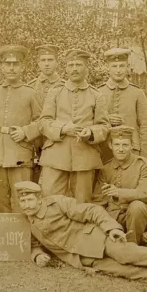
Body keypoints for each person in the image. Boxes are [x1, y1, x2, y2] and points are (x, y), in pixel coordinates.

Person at [15, 181, 147, 292]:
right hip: (83, 258)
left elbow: (91, 211)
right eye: (22, 201)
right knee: (128, 271)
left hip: (95, 239)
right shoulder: (29, 222)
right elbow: (34, 245)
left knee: (130, 254)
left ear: (39, 198)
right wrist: (37, 255)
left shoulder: (57, 203)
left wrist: (111, 228)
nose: (26, 204)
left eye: (29, 199)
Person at [37, 49, 110, 202]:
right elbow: (43, 122)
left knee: (82, 203)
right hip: (55, 155)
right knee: (51, 199)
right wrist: (63, 129)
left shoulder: (96, 95)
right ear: (66, 68)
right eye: (71, 65)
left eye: (79, 65)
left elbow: (104, 126)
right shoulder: (55, 92)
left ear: (87, 69)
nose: (74, 68)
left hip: (85, 156)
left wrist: (90, 132)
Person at [0, 45, 41, 212]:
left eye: (16, 64)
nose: (11, 68)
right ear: (2, 67)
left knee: (22, 197)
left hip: (20, 152)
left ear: (23, 67)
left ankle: (23, 235)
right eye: (8, 64)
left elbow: (42, 121)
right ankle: (3, 234)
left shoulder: (31, 93)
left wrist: (26, 132)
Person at [92, 126, 147, 245]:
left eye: (125, 145)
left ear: (132, 145)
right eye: (117, 145)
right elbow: (98, 201)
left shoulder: (143, 165)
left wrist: (119, 192)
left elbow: (146, 193)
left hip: (139, 216)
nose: (120, 149)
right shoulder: (105, 168)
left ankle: (133, 246)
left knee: (136, 207)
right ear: (111, 145)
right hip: (114, 217)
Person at [98, 48, 147, 162]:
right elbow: (89, 120)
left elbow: (146, 125)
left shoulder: (137, 93)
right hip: (105, 150)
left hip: (132, 150)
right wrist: (107, 120)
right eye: (114, 66)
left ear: (127, 67)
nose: (118, 70)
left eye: (122, 66)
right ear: (108, 68)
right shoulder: (98, 92)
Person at [28, 44, 65, 183]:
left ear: (57, 62)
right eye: (43, 60)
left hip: (56, 140)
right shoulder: (31, 86)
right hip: (35, 140)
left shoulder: (64, 86)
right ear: (38, 63)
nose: (46, 64)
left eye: (50, 60)